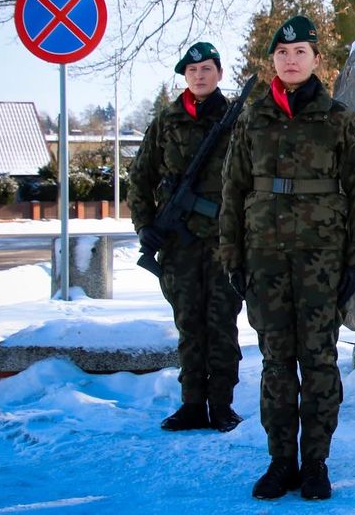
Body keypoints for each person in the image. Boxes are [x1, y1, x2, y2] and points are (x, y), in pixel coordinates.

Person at [218, 16, 355, 501]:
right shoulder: (251, 118)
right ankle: (280, 460)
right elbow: (233, 188)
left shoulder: (338, 120)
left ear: (315, 60)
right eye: (283, 54)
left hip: (321, 260)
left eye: (301, 53)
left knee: (319, 362)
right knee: (275, 363)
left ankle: (316, 463)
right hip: (264, 258)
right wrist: (232, 255)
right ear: (274, 60)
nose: (291, 60)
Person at [128, 41, 244, 433]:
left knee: (222, 324)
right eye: (193, 71)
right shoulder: (166, 120)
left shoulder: (235, 119)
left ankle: (222, 405)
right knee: (189, 326)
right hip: (178, 246)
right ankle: (192, 404)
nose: (199, 75)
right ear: (185, 76)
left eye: (207, 69)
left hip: (222, 242)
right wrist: (144, 224)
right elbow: (140, 176)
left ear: (219, 74)